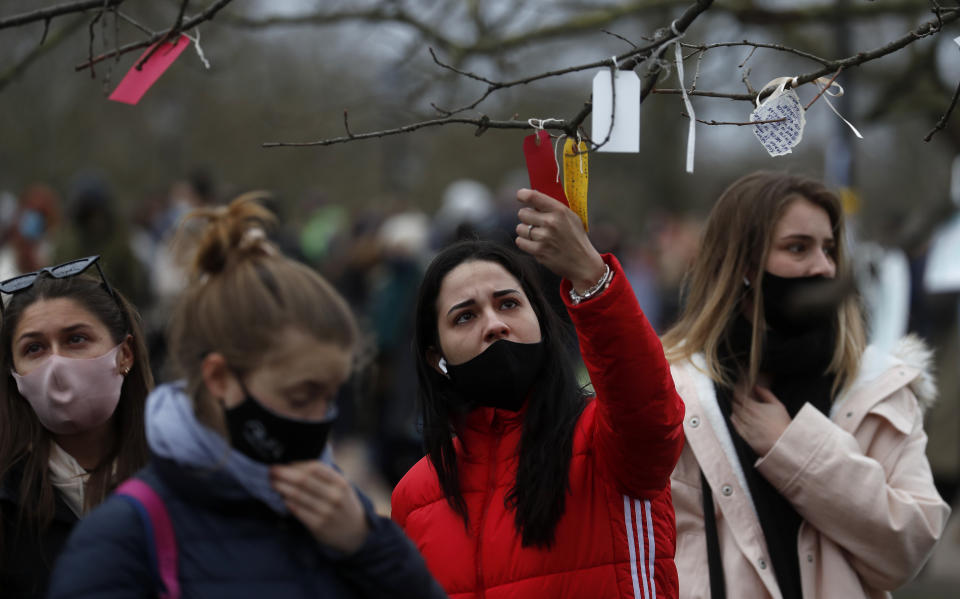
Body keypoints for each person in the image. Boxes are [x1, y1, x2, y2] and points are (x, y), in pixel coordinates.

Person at [47, 195, 446, 599]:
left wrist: (370, 546)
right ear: (220, 378)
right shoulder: (123, 543)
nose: (320, 418)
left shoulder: (336, 509)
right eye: (300, 395)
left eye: (329, 397)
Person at [662, 171, 951, 598]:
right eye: (798, 248)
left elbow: (909, 547)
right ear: (742, 264)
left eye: (830, 250)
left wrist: (794, 448)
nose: (823, 266)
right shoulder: (675, 388)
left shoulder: (877, 385)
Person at [391, 188, 686, 598]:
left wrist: (590, 276)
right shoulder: (414, 494)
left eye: (508, 304)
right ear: (435, 356)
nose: (493, 324)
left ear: (541, 320)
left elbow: (649, 409)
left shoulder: (608, 443)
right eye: (465, 316)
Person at [0, 255, 152, 598]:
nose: (57, 364)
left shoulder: (182, 476)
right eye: (34, 348)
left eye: (76, 339)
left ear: (124, 353)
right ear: (15, 375)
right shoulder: (8, 501)